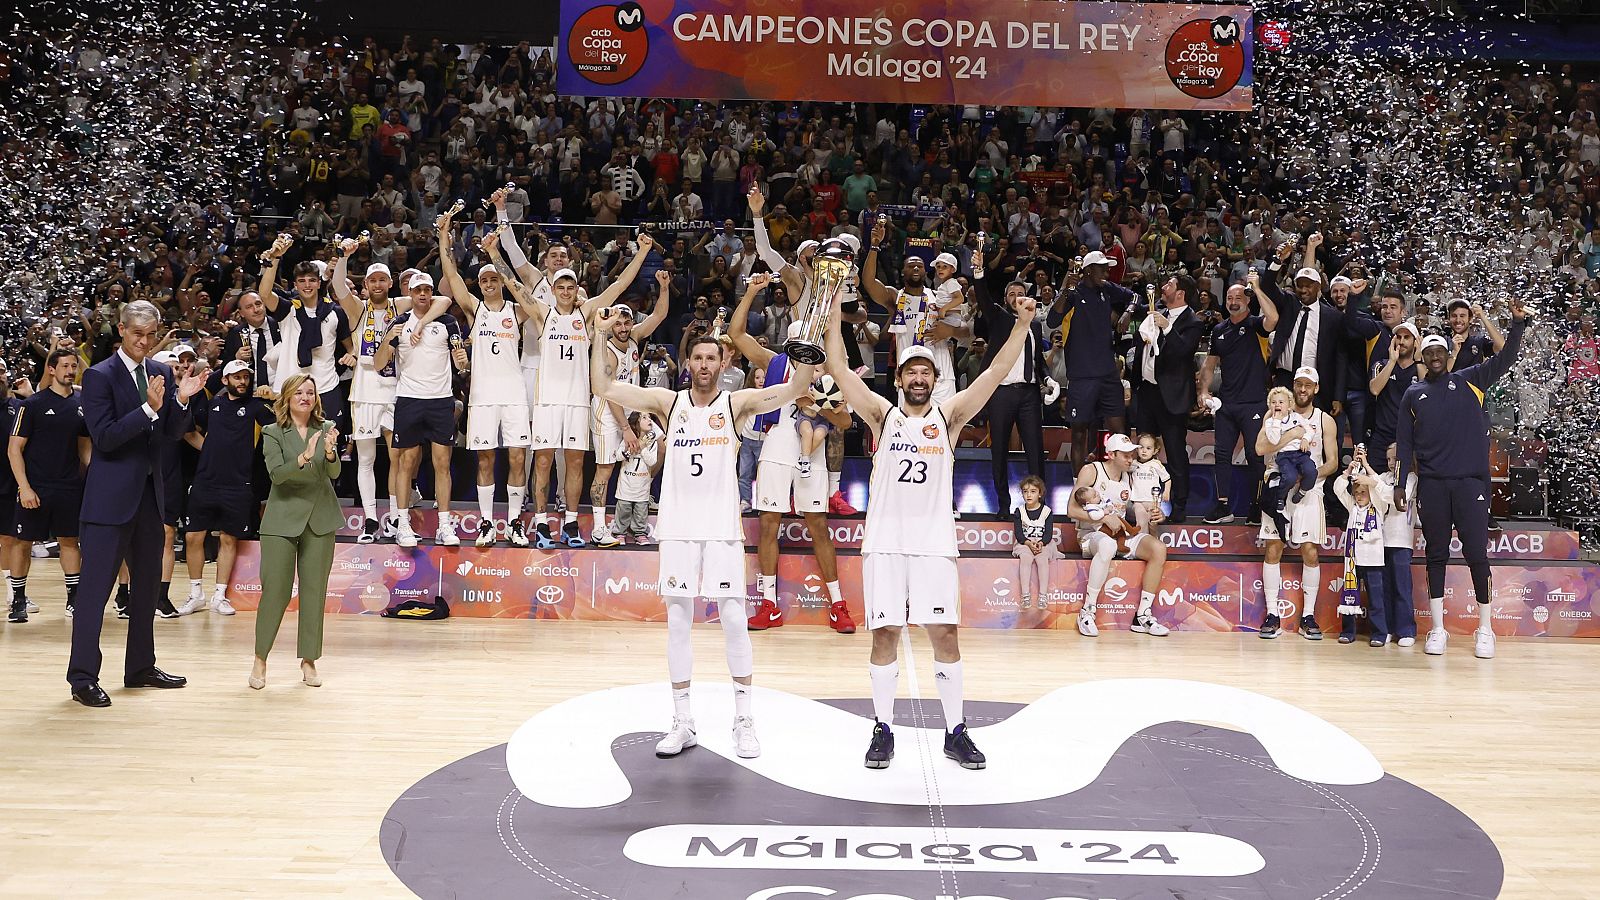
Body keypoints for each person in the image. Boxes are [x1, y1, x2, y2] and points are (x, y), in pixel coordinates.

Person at [820, 281, 1039, 772]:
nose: (918, 378)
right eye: (911, 371)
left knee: (945, 635)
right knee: (884, 637)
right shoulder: (881, 415)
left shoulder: (950, 415)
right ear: (899, 379)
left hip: (935, 545)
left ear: (934, 378)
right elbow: (836, 365)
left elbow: (998, 371)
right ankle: (882, 729)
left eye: (926, 371)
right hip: (885, 545)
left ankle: (955, 732)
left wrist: (1023, 322)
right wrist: (834, 307)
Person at [588, 307, 817, 760]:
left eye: (713, 359)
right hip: (677, 529)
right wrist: (597, 336)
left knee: (733, 620)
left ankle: (744, 720)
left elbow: (793, 389)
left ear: (723, 364)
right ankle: (682, 721)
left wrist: (806, 356)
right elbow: (604, 387)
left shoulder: (736, 404)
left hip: (720, 530)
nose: (705, 365)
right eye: (698, 359)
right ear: (688, 364)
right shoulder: (667, 403)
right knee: (677, 623)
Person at [69, 300, 206, 708]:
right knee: (94, 594)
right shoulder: (98, 376)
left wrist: (181, 401)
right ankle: (81, 678)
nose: (143, 343)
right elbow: (106, 438)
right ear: (122, 332)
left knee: (146, 591)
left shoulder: (161, 371)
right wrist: (149, 407)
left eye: (150, 336)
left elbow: (168, 436)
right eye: (136, 335)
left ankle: (140, 666)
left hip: (149, 497)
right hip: (108, 501)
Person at [1397, 300, 1528, 660]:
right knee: (1436, 556)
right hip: (1433, 485)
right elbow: (1405, 445)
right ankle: (1437, 630)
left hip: (1471, 483)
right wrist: (1398, 484)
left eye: (1440, 350)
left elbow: (1506, 359)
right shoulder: (1413, 395)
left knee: (1476, 555)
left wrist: (1516, 324)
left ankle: (1485, 629)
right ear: (1424, 358)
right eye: (1430, 352)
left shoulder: (1470, 379)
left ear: (1446, 354)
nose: (1436, 356)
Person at [727, 272, 854, 634]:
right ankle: (768, 604)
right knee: (768, 524)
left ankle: (837, 605)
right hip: (777, 446)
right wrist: (751, 291)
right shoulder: (774, 363)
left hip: (809, 453)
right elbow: (737, 335)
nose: (800, 346)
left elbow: (844, 422)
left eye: (806, 341)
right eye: (795, 341)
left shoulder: (827, 372)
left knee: (818, 526)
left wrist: (817, 402)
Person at [522, 233, 651, 548]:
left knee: (576, 463)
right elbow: (515, 282)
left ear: (576, 290)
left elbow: (618, 286)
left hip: (578, 402)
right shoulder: (542, 313)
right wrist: (495, 251)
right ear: (552, 290)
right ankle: (541, 525)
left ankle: (570, 524)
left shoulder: (588, 312)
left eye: (570, 287)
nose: (565, 292)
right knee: (542, 462)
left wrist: (643, 252)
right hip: (547, 402)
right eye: (560, 287)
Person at [441, 226, 534, 547]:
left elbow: (529, 296)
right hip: (482, 396)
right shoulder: (474, 309)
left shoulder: (515, 311)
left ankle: (514, 523)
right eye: (485, 280)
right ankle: (485, 523)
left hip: (514, 395)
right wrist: (444, 239)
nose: (490, 283)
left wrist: (497, 259)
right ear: (479, 285)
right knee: (485, 460)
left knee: (518, 459)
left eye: (495, 279)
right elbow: (451, 276)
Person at [251, 375, 342, 690]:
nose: (305, 396)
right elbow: (277, 475)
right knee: (275, 592)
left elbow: (334, 473)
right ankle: (260, 659)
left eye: (310, 392)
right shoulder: (273, 433)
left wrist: (330, 453)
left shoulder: (326, 427)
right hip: (281, 521)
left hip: (320, 518)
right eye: (299, 392)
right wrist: (304, 457)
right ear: (287, 397)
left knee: (314, 592)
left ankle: (309, 660)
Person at [371, 272, 468, 547]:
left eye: (427, 289)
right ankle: (402, 524)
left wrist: (462, 362)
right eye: (418, 290)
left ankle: (444, 526)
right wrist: (389, 336)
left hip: (440, 400)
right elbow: (379, 365)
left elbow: (460, 362)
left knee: (442, 463)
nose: (423, 294)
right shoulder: (399, 322)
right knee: (406, 463)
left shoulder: (448, 322)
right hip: (409, 399)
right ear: (410, 295)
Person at [330, 247, 413, 542]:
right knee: (365, 459)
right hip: (364, 390)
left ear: (390, 283)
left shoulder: (403, 305)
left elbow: (438, 299)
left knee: (398, 459)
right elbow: (338, 286)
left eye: (382, 280)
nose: (377, 285)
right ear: (365, 285)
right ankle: (370, 520)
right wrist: (343, 256)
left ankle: (394, 516)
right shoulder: (357, 309)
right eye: (372, 281)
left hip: (395, 390)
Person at [181, 360, 275, 615]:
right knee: (193, 536)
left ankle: (219, 595)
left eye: (246, 377)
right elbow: (187, 429)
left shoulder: (257, 407)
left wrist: (274, 397)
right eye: (237, 377)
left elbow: (281, 423)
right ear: (226, 381)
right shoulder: (213, 404)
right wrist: (209, 450)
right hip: (205, 480)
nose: (242, 381)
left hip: (238, 483)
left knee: (228, 538)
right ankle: (195, 593)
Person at [587, 271, 671, 547]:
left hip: (632, 409)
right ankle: (600, 528)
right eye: (619, 322)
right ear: (611, 324)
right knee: (605, 469)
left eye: (627, 321)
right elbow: (609, 392)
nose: (623, 326)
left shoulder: (635, 336)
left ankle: (643, 492)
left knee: (663, 443)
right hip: (607, 410)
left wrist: (664, 287)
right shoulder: (608, 349)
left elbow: (659, 315)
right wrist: (626, 429)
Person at [1255, 368, 1339, 640]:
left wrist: (1306, 478)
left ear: (1316, 388)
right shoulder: (1274, 413)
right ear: (1293, 388)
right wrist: (1290, 436)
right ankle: (1272, 614)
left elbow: (1333, 462)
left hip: (1309, 488)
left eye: (1308, 385)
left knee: (1310, 551)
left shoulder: (1325, 420)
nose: (1303, 389)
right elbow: (1258, 449)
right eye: (1298, 385)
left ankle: (1308, 616)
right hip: (1278, 482)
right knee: (1273, 549)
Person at [1067, 433, 1173, 639]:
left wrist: (1159, 514)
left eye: (1131, 454)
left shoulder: (1130, 474)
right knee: (1107, 546)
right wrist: (1103, 519)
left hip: (1120, 535)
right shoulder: (1091, 471)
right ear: (1111, 454)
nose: (1130, 458)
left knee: (1158, 549)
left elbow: (1140, 506)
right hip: (1092, 535)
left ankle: (1142, 615)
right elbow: (1071, 510)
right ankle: (1087, 611)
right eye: (1125, 455)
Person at [9, 349, 89, 620]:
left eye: (73, 365)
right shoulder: (32, 404)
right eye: (65, 365)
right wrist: (25, 487)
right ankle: (18, 601)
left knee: (70, 541)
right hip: (36, 486)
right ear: (51, 370)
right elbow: (14, 449)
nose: (70, 370)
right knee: (23, 542)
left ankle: (75, 600)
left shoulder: (81, 405)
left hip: (68, 487)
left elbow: (84, 448)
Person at [1198, 273, 1278, 524]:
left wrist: (1256, 286)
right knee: (1222, 454)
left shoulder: (1256, 325)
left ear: (1248, 300)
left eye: (1239, 297)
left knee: (1256, 456)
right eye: (1229, 297)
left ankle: (1256, 506)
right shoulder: (1219, 330)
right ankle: (1223, 506)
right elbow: (1209, 366)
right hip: (1227, 403)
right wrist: (1203, 391)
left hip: (1254, 402)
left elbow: (1273, 318)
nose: (1233, 301)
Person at [1129, 273, 1203, 522]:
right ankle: (1137, 505)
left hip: (1172, 397)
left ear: (1180, 292)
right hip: (1147, 391)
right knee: (1142, 449)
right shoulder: (1154, 311)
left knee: (1174, 452)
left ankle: (1179, 509)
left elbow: (1183, 351)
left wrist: (1167, 327)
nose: (1164, 287)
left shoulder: (1193, 321)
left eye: (1169, 284)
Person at [972, 275, 1048, 515]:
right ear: (1006, 300)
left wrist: (1047, 379)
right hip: (1001, 393)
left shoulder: (1034, 325)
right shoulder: (1000, 319)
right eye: (1011, 294)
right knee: (999, 451)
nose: (1017, 297)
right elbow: (982, 296)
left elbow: (1038, 361)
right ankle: (1003, 506)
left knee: (1035, 452)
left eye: (1021, 293)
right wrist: (979, 273)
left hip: (1029, 394)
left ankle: (1038, 507)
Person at [1052, 250, 1133, 474]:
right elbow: (1052, 319)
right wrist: (1065, 290)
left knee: (1119, 433)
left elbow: (1134, 297)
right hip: (1081, 375)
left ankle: (1121, 481)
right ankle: (1079, 484)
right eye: (1102, 268)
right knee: (1079, 433)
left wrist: (1128, 312)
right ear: (1087, 271)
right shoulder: (1073, 294)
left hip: (1108, 373)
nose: (1106, 272)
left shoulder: (1106, 289)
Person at [257, 235, 354, 421]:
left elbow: (350, 346)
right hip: (293, 387)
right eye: (302, 281)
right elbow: (264, 294)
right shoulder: (288, 309)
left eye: (311, 280)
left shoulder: (336, 312)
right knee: (294, 446)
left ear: (319, 283)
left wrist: (352, 354)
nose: (307, 285)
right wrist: (275, 258)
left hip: (326, 387)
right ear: (295, 285)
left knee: (328, 445)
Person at [1262, 234, 1345, 412]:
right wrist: (1278, 260)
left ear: (1318, 287)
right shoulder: (1289, 303)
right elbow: (1267, 286)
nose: (1304, 289)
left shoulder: (1332, 317)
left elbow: (1340, 358)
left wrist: (1338, 396)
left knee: (1312, 433)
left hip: (1315, 381)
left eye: (1309, 285)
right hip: (1284, 377)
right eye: (1300, 285)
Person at [1332, 449, 1393, 645]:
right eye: (1357, 492)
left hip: (1374, 560)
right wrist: (1348, 471)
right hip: (1353, 560)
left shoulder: (1379, 507)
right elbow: (1337, 488)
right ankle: (1348, 632)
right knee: (1349, 596)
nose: (1359, 496)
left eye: (1363, 492)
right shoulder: (1352, 507)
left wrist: (1366, 467)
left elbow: (1383, 490)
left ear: (1370, 493)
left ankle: (1379, 634)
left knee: (1376, 599)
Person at [1260, 386, 1317, 535]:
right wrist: (1277, 422)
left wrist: (1305, 438)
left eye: (1281, 402)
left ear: (1290, 404)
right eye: (1273, 402)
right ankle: (1280, 498)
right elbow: (1274, 441)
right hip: (1284, 455)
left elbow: (1310, 430)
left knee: (1311, 471)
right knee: (1289, 477)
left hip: (1300, 453)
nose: (1277, 405)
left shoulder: (1297, 418)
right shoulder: (1270, 422)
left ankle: (1303, 491)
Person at [1377, 443, 1419, 646]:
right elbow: (1376, 493)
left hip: (1401, 540)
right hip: (1380, 540)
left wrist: (1374, 483)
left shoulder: (1411, 478)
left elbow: (1396, 498)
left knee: (1402, 587)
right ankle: (1386, 629)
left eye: (1394, 459)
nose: (1391, 463)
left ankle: (1406, 631)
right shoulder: (1384, 478)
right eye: (1388, 460)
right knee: (1384, 587)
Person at [1366, 322, 1421, 469]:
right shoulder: (1381, 365)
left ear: (1416, 342)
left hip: (1411, 437)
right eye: (1398, 337)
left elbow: (1428, 389)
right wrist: (1392, 361)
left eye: (1407, 337)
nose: (1401, 341)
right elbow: (1375, 389)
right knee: (1375, 484)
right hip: (1382, 436)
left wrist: (1419, 359)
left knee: (1408, 487)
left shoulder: (1421, 368)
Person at [1011, 475, 1060, 610]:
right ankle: (1025, 595)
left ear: (1040, 494)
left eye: (1033, 491)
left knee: (1042, 559)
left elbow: (1048, 534)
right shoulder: (1019, 512)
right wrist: (1028, 543)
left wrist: (1040, 543)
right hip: (1025, 543)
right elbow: (1019, 534)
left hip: (1042, 543)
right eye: (1025, 491)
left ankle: (1043, 595)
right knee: (1026, 559)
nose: (1028, 495)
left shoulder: (1047, 511)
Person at [612, 411, 659, 544]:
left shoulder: (652, 443)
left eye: (650, 417)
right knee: (623, 509)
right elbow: (619, 456)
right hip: (626, 485)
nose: (649, 419)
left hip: (642, 486)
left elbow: (651, 461)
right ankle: (620, 533)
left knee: (641, 511)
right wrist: (629, 450)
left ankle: (639, 534)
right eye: (644, 417)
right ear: (635, 424)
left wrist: (642, 448)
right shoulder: (627, 440)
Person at [1445, 299, 1505, 372]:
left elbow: (1501, 346)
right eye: (1454, 316)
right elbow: (1439, 377)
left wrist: (1483, 317)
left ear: (1470, 319)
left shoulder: (1478, 341)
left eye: (1462, 316)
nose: (1458, 320)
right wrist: (1454, 352)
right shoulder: (1443, 342)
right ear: (1449, 319)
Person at [1130, 433, 1170, 531]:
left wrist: (1166, 492)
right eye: (1141, 447)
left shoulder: (1156, 464)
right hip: (1138, 500)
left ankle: (1153, 541)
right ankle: (1142, 541)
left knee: (1153, 525)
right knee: (1141, 523)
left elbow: (1167, 479)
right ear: (1137, 449)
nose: (1144, 451)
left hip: (1152, 500)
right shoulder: (1133, 464)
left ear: (1155, 451)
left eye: (1148, 448)